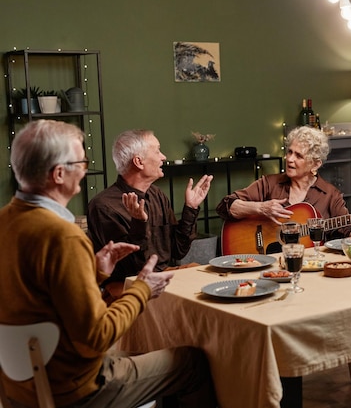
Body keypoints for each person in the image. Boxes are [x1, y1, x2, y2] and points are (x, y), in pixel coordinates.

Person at [0, 120, 217, 408]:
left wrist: (95, 269)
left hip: (20, 385)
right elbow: (98, 336)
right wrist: (140, 290)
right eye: (82, 161)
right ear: (59, 173)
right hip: (77, 388)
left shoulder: (6, 221)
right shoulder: (64, 235)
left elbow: (41, 292)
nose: (86, 169)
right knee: (195, 361)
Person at [88, 129, 212, 301]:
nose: (163, 157)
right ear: (138, 161)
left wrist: (190, 208)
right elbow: (135, 269)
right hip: (128, 287)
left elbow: (178, 251)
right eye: (157, 151)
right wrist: (139, 223)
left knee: (209, 279)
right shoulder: (103, 206)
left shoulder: (157, 195)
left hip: (162, 277)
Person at [216, 126, 351, 250]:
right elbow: (225, 206)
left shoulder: (330, 194)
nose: (289, 159)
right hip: (264, 264)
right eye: (289, 152)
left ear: (315, 164)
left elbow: (345, 233)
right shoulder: (269, 183)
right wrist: (260, 208)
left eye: (298, 156)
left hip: (311, 268)